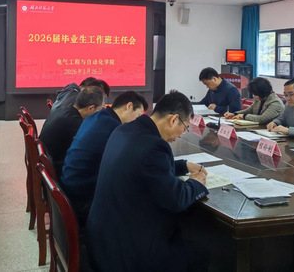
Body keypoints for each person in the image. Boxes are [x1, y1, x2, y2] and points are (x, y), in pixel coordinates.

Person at [87, 90, 209, 272]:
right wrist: (196, 183)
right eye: (184, 127)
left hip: (104, 238)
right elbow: (176, 199)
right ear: (173, 119)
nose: (182, 135)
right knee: (202, 254)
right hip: (128, 252)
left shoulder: (124, 129)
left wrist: (183, 165)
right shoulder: (154, 146)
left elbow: (140, 166)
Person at [61, 91, 148, 226]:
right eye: (137, 116)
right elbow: (134, 165)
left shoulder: (97, 117)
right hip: (84, 200)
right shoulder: (115, 128)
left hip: (70, 188)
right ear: (129, 106)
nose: (137, 122)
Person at [40, 86, 106, 177]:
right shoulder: (75, 123)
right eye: (100, 110)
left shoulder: (64, 110)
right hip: (56, 169)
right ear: (91, 108)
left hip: (48, 160)